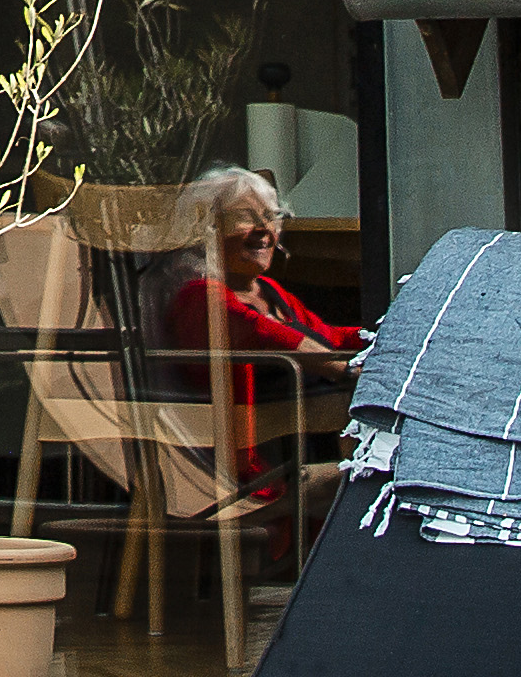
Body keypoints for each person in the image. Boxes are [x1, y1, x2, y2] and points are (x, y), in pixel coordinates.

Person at [155, 167, 367, 524]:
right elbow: (258, 331)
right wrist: (340, 367)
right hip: (240, 471)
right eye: (245, 218)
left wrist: (385, 338)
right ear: (204, 229)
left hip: (295, 448)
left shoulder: (268, 292)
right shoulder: (199, 294)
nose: (265, 231)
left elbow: (327, 336)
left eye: (270, 218)